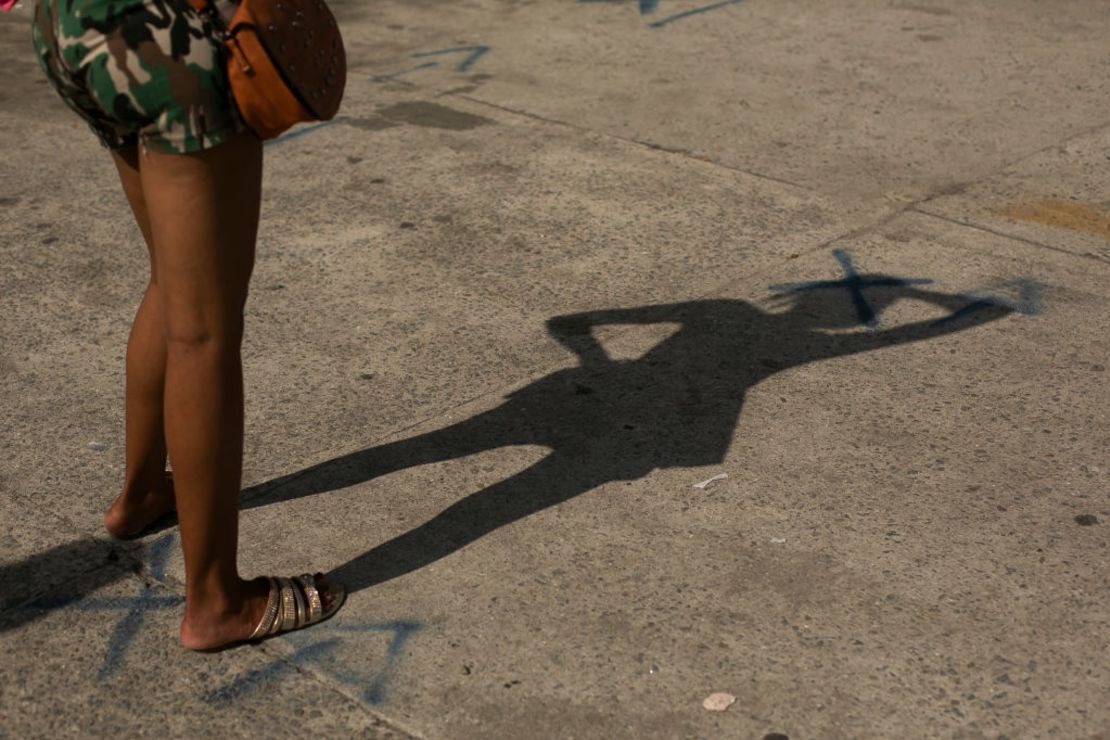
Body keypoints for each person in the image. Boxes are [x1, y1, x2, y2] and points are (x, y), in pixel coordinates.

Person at [23, 0, 343, 650]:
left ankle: (142, 494)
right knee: (206, 327)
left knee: (175, 285)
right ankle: (216, 601)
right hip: (169, 36)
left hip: (72, 22)